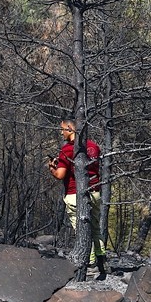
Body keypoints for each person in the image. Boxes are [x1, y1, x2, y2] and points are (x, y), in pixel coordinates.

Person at [49, 120, 107, 280]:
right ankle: (102, 262)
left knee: (82, 230)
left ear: (69, 129)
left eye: (62, 130)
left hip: (75, 194)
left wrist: (52, 169)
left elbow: (60, 174)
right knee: (95, 227)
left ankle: (90, 265)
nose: (61, 133)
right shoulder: (93, 146)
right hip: (95, 191)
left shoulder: (68, 149)